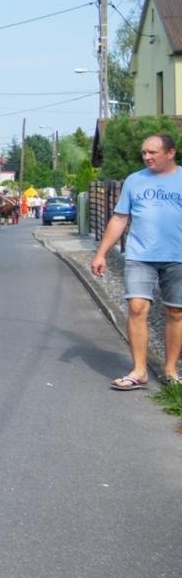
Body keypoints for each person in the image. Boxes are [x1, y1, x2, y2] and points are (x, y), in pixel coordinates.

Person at [91, 133, 182, 390]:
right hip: (140, 256)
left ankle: (170, 370)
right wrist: (101, 253)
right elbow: (119, 218)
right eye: (144, 152)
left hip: (178, 257)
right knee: (137, 308)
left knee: (176, 312)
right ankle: (139, 370)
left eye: (153, 152)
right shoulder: (135, 181)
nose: (147, 157)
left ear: (171, 152)